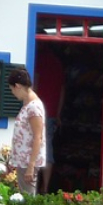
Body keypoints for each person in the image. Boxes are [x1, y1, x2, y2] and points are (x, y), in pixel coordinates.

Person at [8, 67, 46, 195]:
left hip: (27, 162)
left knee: (27, 197)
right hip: (22, 161)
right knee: (24, 195)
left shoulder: (34, 107)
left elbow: (38, 137)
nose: (13, 93)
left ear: (17, 86)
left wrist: (31, 166)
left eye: (12, 89)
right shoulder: (27, 104)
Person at [34, 47, 65, 193]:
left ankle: (35, 187)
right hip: (51, 113)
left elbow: (35, 83)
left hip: (38, 112)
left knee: (36, 147)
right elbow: (62, 89)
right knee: (47, 149)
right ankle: (45, 187)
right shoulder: (58, 63)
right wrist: (58, 113)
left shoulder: (39, 60)